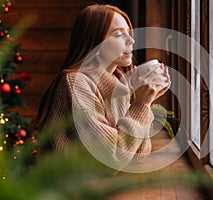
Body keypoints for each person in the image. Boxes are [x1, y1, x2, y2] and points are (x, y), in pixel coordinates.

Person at [35, 3, 170, 170]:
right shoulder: (76, 83)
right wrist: (141, 105)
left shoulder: (119, 85)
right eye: (119, 34)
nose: (131, 40)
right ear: (95, 44)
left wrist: (145, 102)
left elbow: (138, 153)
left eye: (129, 32)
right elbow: (111, 157)